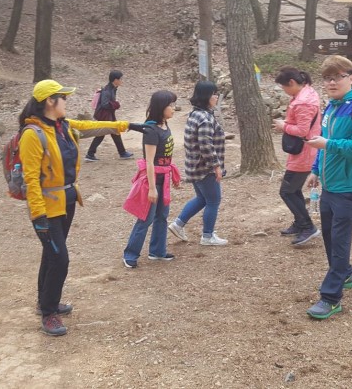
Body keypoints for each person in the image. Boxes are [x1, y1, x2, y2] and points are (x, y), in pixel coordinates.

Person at [19, 79, 147, 336]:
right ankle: (49, 313)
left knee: (51, 255)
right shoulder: (33, 135)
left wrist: (128, 125)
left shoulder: (63, 126)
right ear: (50, 101)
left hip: (67, 202)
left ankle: (45, 301)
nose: (67, 101)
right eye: (63, 98)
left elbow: (92, 126)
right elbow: (30, 179)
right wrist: (39, 215)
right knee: (60, 259)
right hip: (46, 209)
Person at [304, 56, 352, 320]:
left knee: (339, 241)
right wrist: (315, 170)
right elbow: (324, 142)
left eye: (338, 77)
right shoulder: (332, 107)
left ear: (351, 77)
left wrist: (327, 145)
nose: (332, 82)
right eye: (327, 78)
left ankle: (331, 298)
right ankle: (345, 274)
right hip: (330, 185)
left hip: (349, 187)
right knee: (329, 236)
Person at [122, 90, 180, 268]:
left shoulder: (164, 125)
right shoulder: (151, 130)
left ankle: (157, 251)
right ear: (161, 107)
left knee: (162, 216)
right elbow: (149, 162)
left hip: (164, 177)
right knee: (146, 218)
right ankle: (130, 254)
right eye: (170, 105)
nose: (173, 108)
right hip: (152, 180)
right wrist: (153, 188)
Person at [168, 81, 228, 246]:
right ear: (206, 96)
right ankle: (207, 236)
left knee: (202, 198)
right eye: (214, 94)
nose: (216, 97)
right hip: (204, 168)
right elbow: (205, 145)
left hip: (194, 166)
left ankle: (178, 224)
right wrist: (216, 166)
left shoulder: (195, 114)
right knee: (213, 200)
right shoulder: (204, 118)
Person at [272, 66, 322, 246]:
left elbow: (302, 130)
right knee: (294, 190)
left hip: (304, 152)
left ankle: (308, 227)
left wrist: (283, 126)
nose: (284, 91)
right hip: (304, 150)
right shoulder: (307, 93)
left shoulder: (303, 102)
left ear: (292, 82)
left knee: (286, 191)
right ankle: (300, 222)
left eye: (284, 87)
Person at [85, 70, 134, 161]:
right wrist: (115, 104)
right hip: (105, 117)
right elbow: (104, 104)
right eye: (120, 79)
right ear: (115, 80)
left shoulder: (112, 88)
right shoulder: (107, 90)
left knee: (107, 133)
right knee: (110, 132)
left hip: (108, 116)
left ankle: (90, 154)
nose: (122, 81)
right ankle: (122, 153)